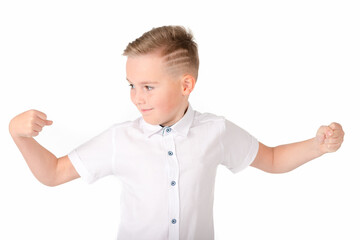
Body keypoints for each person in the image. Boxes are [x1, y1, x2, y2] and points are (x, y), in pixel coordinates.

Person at [9, 25, 344, 240]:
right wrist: (18, 135)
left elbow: (271, 158)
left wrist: (318, 146)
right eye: (132, 86)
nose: (137, 97)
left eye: (148, 86)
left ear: (186, 84)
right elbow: (53, 173)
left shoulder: (216, 131)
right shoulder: (119, 139)